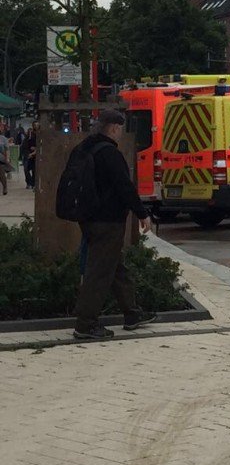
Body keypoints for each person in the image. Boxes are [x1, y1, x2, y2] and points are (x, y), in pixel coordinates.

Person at [70, 110, 154, 341]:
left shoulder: (86, 148)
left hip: (88, 218)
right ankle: (85, 325)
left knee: (115, 266)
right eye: (120, 129)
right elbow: (124, 186)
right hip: (107, 221)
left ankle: (132, 313)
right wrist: (142, 213)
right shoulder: (110, 153)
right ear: (115, 128)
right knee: (99, 273)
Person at [20, 124, 37, 190]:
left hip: (34, 156)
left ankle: (32, 183)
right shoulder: (26, 139)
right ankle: (29, 183)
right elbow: (23, 147)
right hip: (27, 155)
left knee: (34, 170)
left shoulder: (37, 137)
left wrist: (33, 152)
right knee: (26, 169)